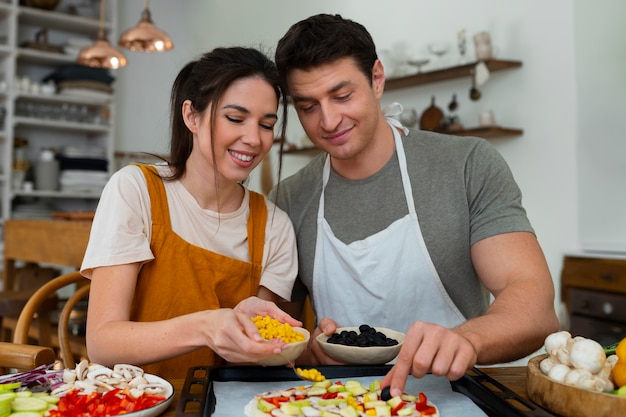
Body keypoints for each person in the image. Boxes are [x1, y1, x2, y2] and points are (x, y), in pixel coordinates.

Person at [271, 14, 559, 397]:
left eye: (342, 96)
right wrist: (307, 349)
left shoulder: (468, 165)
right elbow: (280, 337)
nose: (329, 120)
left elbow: (534, 306)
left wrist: (467, 340)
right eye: (308, 106)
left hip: (453, 398)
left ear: (376, 78)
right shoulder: (289, 199)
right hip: (340, 403)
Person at [81, 47, 300, 379]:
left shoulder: (275, 226)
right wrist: (205, 326)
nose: (254, 139)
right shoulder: (136, 190)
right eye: (235, 119)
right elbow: (102, 343)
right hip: (134, 402)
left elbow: (246, 363)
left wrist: (254, 333)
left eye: (267, 125)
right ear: (192, 116)